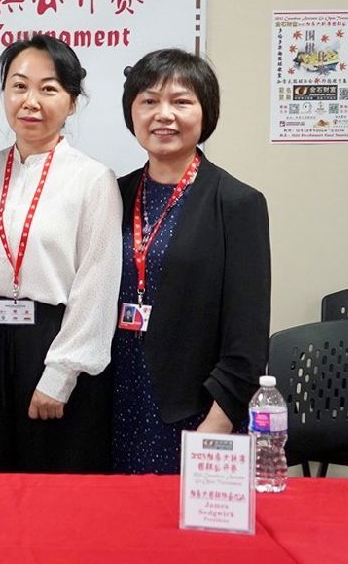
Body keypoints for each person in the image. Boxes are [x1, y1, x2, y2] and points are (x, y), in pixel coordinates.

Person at [111, 48, 270, 474]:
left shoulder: (237, 203)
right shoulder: (113, 194)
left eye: (181, 101)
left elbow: (248, 337)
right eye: (149, 101)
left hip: (195, 409)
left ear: (205, 113)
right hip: (114, 400)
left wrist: (218, 421)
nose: (163, 114)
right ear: (131, 113)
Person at [0, 37, 120, 473]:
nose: (30, 101)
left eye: (48, 89)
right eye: (18, 86)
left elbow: (97, 284)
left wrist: (60, 375)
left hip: (53, 340)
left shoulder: (93, 179)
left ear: (72, 103)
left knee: (53, 477)